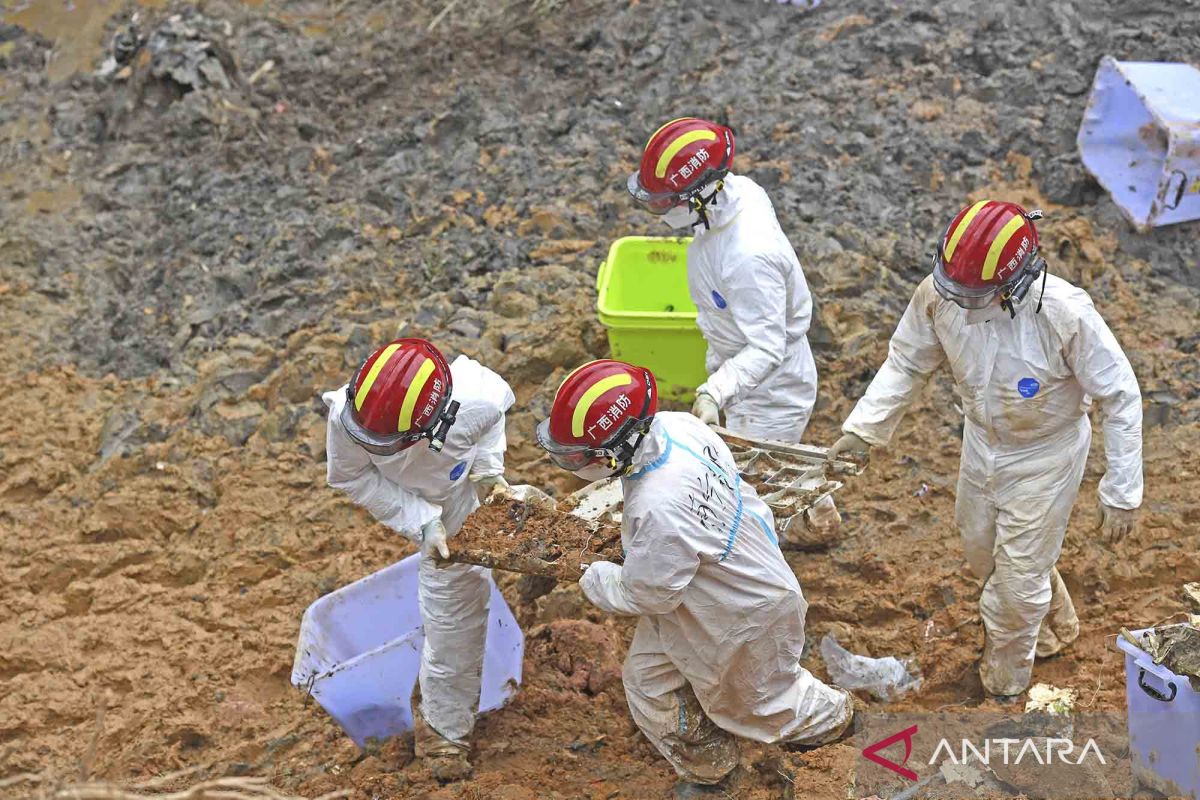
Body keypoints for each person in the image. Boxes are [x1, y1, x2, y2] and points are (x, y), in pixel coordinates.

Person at [829, 200, 1143, 700]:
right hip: (981, 444)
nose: (962, 305)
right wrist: (865, 430)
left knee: (1014, 588)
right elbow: (907, 362)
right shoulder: (940, 296)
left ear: (1018, 282)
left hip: (1046, 456)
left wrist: (1122, 490)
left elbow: (1119, 393)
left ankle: (1006, 682)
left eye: (977, 295)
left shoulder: (1064, 314)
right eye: (956, 291)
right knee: (983, 553)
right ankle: (1056, 622)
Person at [535, 359, 854, 797]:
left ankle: (841, 720)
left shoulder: (658, 506)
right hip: (710, 582)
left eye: (579, 456)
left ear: (617, 449)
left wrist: (593, 576)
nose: (572, 463)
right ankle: (711, 769)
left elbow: (647, 595)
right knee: (650, 681)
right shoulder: (676, 426)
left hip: (738, 611)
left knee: (763, 705)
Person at [627, 116, 839, 534]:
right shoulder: (737, 194)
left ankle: (788, 539)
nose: (659, 210)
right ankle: (821, 519)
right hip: (744, 369)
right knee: (781, 458)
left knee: (750, 491)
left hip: (770, 389)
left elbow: (766, 348)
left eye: (665, 201)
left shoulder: (747, 257)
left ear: (700, 195)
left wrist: (714, 392)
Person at [322, 338, 515, 780]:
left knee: (536, 529)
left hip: (465, 492)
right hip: (429, 508)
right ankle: (445, 737)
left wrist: (488, 471)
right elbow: (351, 476)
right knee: (452, 627)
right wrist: (423, 521)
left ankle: (529, 582)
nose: (374, 444)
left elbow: (492, 422)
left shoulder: (479, 398)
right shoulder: (348, 419)